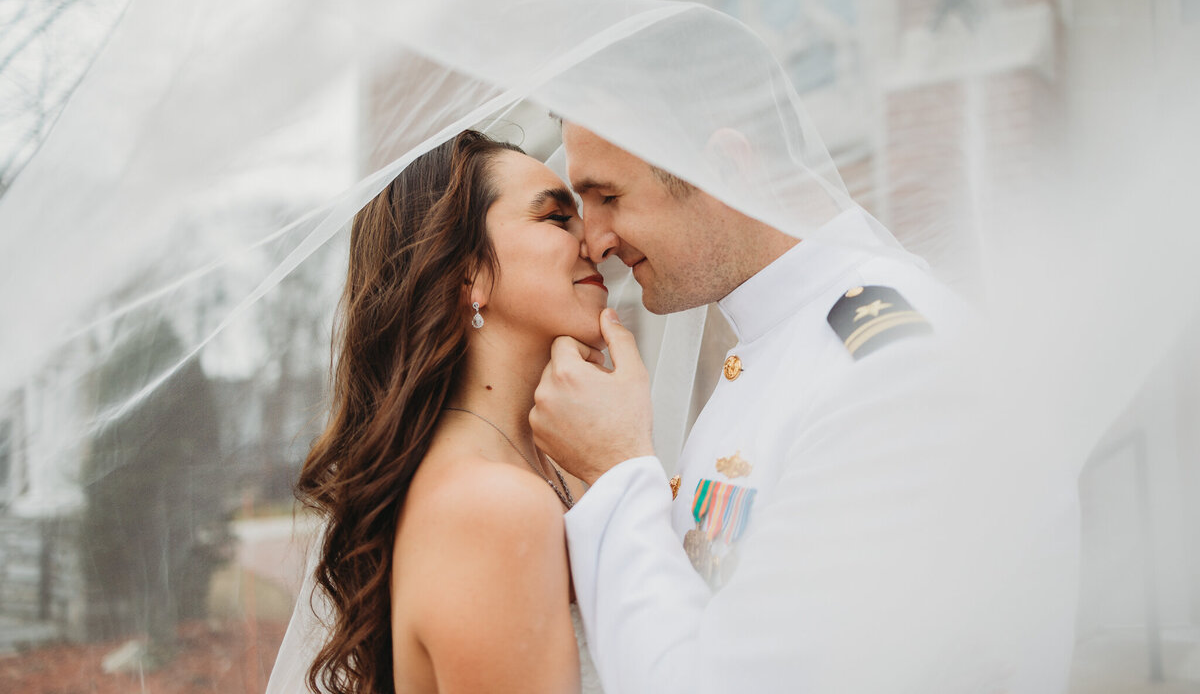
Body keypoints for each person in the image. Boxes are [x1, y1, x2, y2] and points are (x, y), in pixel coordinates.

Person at [529, 122, 1081, 693]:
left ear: (722, 168)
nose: (594, 242)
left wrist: (616, 469)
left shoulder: (894, 369)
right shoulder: (784, 340)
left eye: (609, 197)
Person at [281, 129, 608, 693]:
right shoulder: (491, 507)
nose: (599, 241)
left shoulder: (557, 468)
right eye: (556, 218)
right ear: (469, 272)